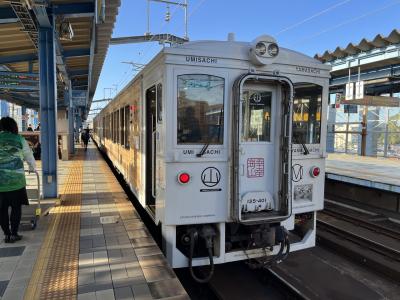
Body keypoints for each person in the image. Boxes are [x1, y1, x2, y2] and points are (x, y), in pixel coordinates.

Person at [0, 117, 36, 243]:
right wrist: (32, 168)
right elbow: (29, 156)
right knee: (16, 208)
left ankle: (7, 235)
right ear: (14, 127)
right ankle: (14, 233)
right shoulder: (19, 139)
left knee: (2, 210)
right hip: (16, 182)